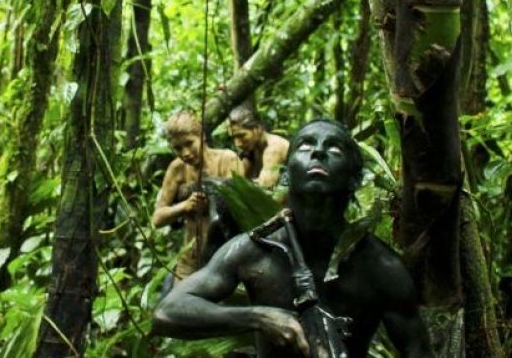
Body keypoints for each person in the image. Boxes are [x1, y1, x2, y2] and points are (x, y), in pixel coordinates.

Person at [153, 119, 432, 357]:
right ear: (286, 176)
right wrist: (260, 317)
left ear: (354, 180)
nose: (319, 152)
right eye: (306, 146)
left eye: (333, 148)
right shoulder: (254, 251)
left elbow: (418, 351)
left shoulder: (380, 266)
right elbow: (167, 312)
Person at [151, 110, 243, 281]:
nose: (185, 153)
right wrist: (185, 206)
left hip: (226, 257)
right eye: (177, 148)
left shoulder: (227, 159)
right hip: (190, 260)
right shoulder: (177, 168)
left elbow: (242, 209)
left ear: (202, 137)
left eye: (189, 143)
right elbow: (157, 218)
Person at [228, 105, 289, 188]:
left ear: (258, 129)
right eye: (234, 137)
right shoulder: (253, 149)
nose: (237, 143)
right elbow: (236, 180)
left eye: (242, 135)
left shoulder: (274, 148)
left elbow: (266, 188)